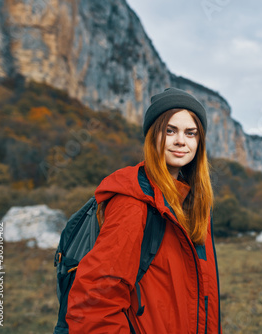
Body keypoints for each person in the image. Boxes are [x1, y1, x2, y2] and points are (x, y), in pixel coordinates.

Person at [66, 88, 221, 333]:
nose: (181, 140)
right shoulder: (133, 203)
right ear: (152, 136)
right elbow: (94, 305)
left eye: (190, 133)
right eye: (170, 131)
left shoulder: (193, 204)